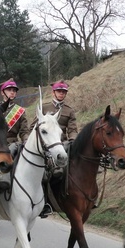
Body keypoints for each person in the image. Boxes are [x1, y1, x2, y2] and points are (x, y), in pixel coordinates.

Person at [0, 78, 30, 238]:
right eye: (10, 90)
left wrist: (26, 140)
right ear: (3, 92)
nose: (13, 92)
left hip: (13, 144)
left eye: (14, 90)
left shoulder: (20, 111)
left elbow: (24, 130)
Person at [30, 79, 78, 218]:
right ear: (54, 92)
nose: (61, 94)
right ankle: (44, 202)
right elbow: (34, 126)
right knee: (45, 173)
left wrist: (72, 140)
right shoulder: (44, 108)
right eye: (59, 91)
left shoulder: (69, 110)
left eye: (64, 92)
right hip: (46, 145)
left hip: (63, 144)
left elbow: (73, 129)